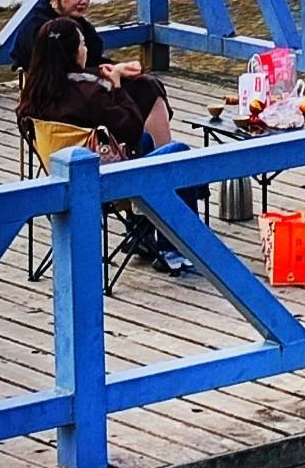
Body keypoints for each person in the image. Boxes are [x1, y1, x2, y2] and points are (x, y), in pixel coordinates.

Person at [17, 17, 191, 275]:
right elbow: (131, 128)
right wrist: (118, 88)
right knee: (177, 154)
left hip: (59, 178)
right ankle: (173, 248)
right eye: (83, 44)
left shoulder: (32, 97)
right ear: (73, 52)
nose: (86, 49)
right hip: (103, 183)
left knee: (147, 144)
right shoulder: (89, 94)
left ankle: (143, 232)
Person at [11, 0, 173, 146]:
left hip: (79, 91)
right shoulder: (40, 30)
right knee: (145, 89)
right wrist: (114, 78)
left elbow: (93, 59)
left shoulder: (80, 25)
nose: (83, 1)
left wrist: (119, 68)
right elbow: (61, 71)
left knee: (145, 83)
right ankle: (158, 155)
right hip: (67, 100)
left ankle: (153, 147)